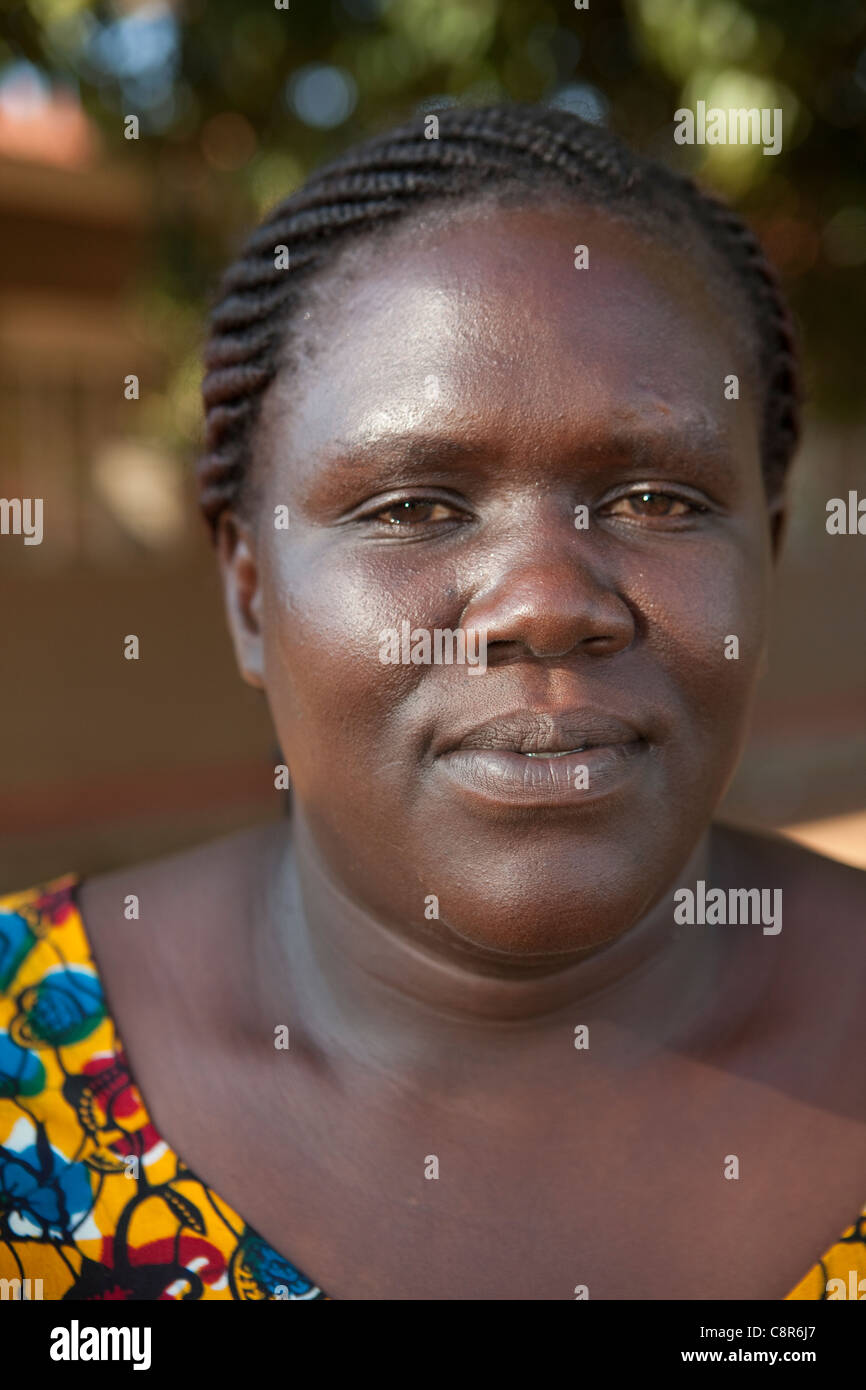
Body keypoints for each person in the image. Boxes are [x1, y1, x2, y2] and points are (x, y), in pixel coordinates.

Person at [1, 104, 864, 1302]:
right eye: (413, 507)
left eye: (657, 499)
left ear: (762, 562)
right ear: (250, 595)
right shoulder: (17, 1065)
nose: (546, 605)